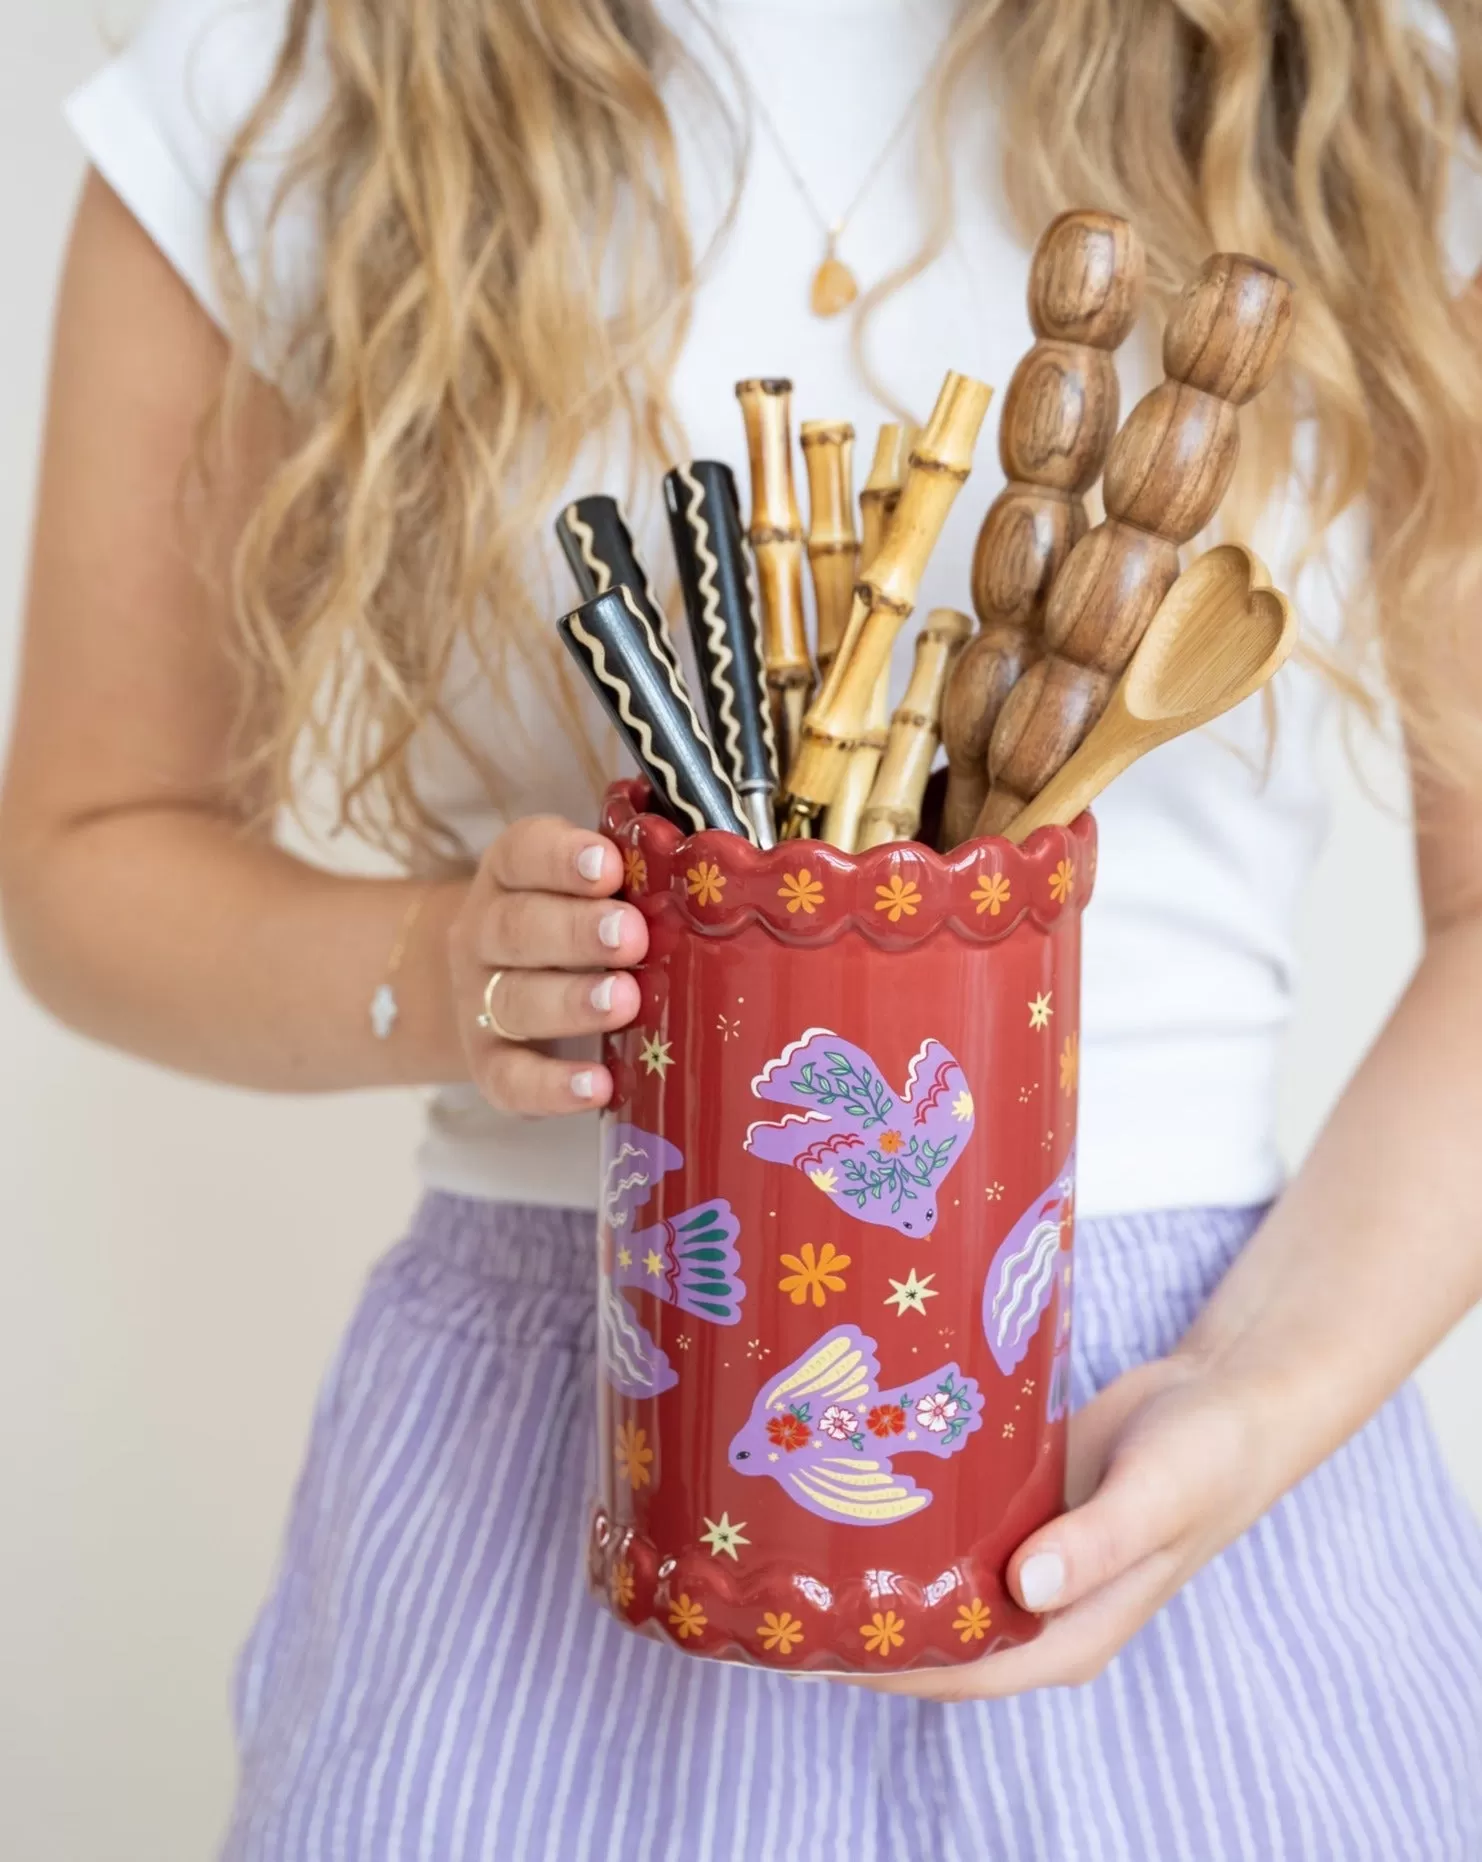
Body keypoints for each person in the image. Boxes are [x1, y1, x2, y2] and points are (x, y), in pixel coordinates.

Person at [4, 0, 1482, 1854]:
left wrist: (1257, 1395)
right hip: (558, 1438)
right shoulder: (292, 78)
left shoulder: (1355, 80)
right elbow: (87, 849)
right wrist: (444, 970)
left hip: (1195, 1423)